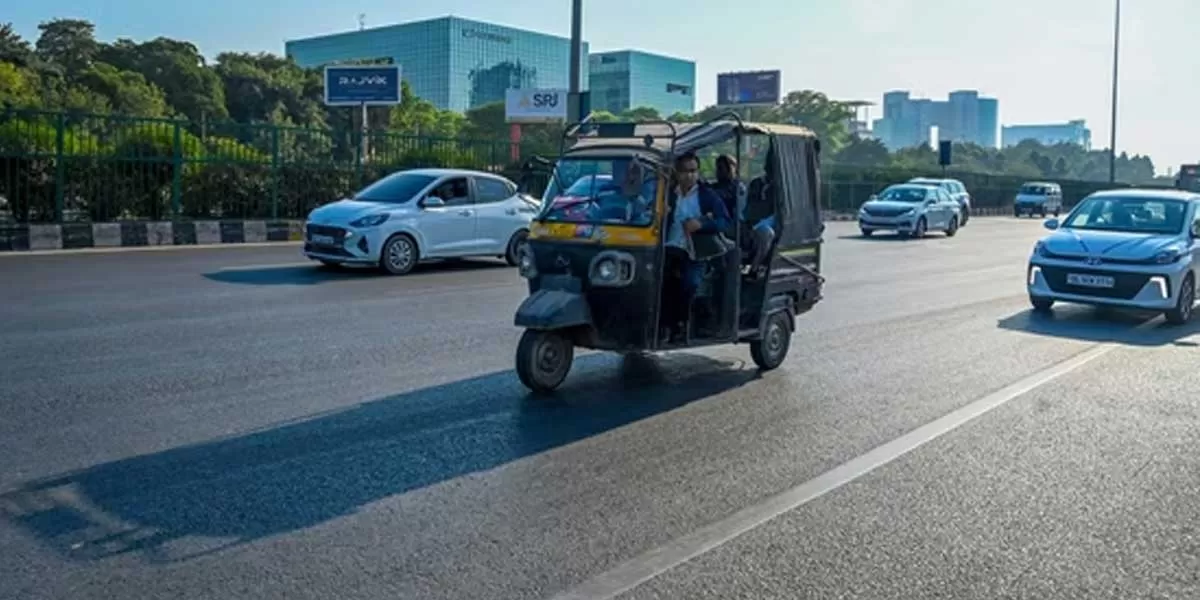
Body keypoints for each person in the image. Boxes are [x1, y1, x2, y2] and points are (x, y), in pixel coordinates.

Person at [661, 151, 732, 340]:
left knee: (689, 284)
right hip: (667, 248)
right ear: (676, 172)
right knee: (657, 282)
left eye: (693, 170)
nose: (690, 175)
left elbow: (725, 222)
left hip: (695, 253)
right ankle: (663, 325)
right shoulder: (667, 194)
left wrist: (701, 225)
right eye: (685, 171)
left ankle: (681, 325)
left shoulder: (707, 195)